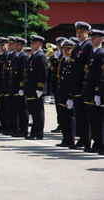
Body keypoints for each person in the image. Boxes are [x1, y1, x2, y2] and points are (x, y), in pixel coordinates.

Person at [66, 21, 93, 150]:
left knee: (84, 115)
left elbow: (86, 67)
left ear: (87, 33)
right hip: (75, 86)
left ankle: (86, 140)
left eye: (81, 32)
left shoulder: (88, 46)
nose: (79, 34)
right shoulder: (77, 46)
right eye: (77, 32)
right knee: (79, 115)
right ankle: (81, 139)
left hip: (82, 86)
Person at [81, 29, 104, 153]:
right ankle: (96, 143)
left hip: (96, 92)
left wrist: (97, 93)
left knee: (98, 120)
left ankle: (100, 144)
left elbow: (100, 76)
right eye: (91, 38)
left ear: (101, 39)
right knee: (93, 120)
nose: (92, 39)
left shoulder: (101, 54)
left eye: (95, 38)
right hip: (89, 91)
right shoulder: (92, 53)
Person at [21, 35, 48, 140]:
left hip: (36, 89)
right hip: (31, 89)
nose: (31, 45)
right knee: (33, 111)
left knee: (38, 112)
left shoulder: (41, 56)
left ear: (39, 45)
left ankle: (38, 133)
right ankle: (34, 132)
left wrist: (40, 88)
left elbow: (43, 73)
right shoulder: (33, 56)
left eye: (34, 43)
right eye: (31, 43)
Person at [55, 39, 76, 147]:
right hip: (61, 92)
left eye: (68, 49)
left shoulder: (72, 61)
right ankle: (65, 138)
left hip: (68, 93)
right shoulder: (63, 60)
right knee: (62, 118)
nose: (66, 51)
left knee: (69, 118)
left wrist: (70, 97)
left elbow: (71, 80)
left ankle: (70, 139)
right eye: (64, 49)